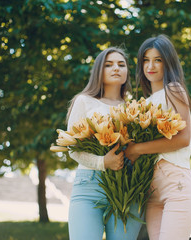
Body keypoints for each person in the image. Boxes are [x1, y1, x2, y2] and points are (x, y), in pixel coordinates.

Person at [124, 35, 191, 240]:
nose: (150, 66)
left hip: (177, 187)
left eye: (158, 60)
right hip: (152, 194)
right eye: (146, 60)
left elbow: (182, 139)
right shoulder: (144, 103)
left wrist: (136, 149)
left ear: (168, 62)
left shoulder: (173, 90)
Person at [66, 47, 142, 240]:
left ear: (127, 72)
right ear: (99, 70)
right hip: (89, 187)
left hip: (126, 189)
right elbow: (72, 148)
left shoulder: (135, 109)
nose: (116, 68)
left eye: (121, 64)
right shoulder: (84, 101)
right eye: (109, 65)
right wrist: (103, 162)